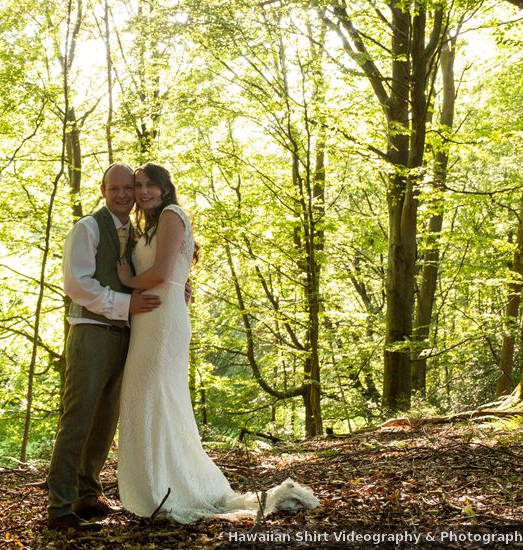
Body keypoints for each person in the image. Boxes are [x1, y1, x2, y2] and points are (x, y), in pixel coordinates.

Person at [116, 163, 319, 523]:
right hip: (149, 318)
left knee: (153, 397)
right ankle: (159, 485)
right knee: (148, 399)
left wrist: (125, 280)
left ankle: (168, 490)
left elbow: (162, 274)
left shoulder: (172, 216)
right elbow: (172, 275)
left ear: (165, 188)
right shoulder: (150, 225)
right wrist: (172, 287)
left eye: (150, 185)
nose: (143, 191)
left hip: (161, 323)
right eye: (138, 185)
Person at [46, 162, 162, 531]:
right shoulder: (88, 227)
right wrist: (125, 304)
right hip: (91, 332)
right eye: (115, 189)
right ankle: (60, 508)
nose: (124, 195)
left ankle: (87, 495)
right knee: (78, 419)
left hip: (126, 335)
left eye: (129, 188)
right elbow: (76, 284)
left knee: (105, 420)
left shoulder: (136, 231)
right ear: (103, 191)